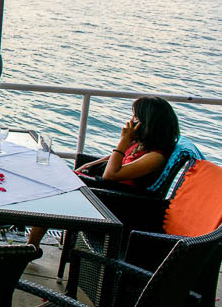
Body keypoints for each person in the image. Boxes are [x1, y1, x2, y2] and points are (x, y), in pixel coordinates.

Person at [28, 96, 180, 249]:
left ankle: (31, 246)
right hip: (103, 189)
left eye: (136, 117)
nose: (131, 121)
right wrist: (87, 165)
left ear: (148, 123)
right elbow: (112, 157)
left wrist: (123, 141)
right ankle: (31, 244)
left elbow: (111, 175)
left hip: (115, 203)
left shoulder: (155, 156)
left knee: (56, 192)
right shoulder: (138, 144)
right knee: (53, 183)